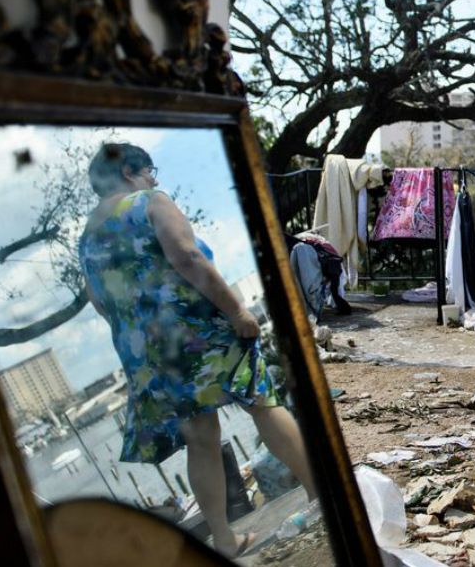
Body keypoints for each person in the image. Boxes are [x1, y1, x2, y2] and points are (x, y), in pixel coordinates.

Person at [78, 142, 316, 557]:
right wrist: (238, 310)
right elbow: (187, 256)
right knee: (261, 401)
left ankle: (223, 538)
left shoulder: (88, 238)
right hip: (199, 330)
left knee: (201, 438)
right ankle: (321, 493)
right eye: (150, 170)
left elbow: (101, 304)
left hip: (151, 355)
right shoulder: (149, 201)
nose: (155, 178)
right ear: (131, 173)